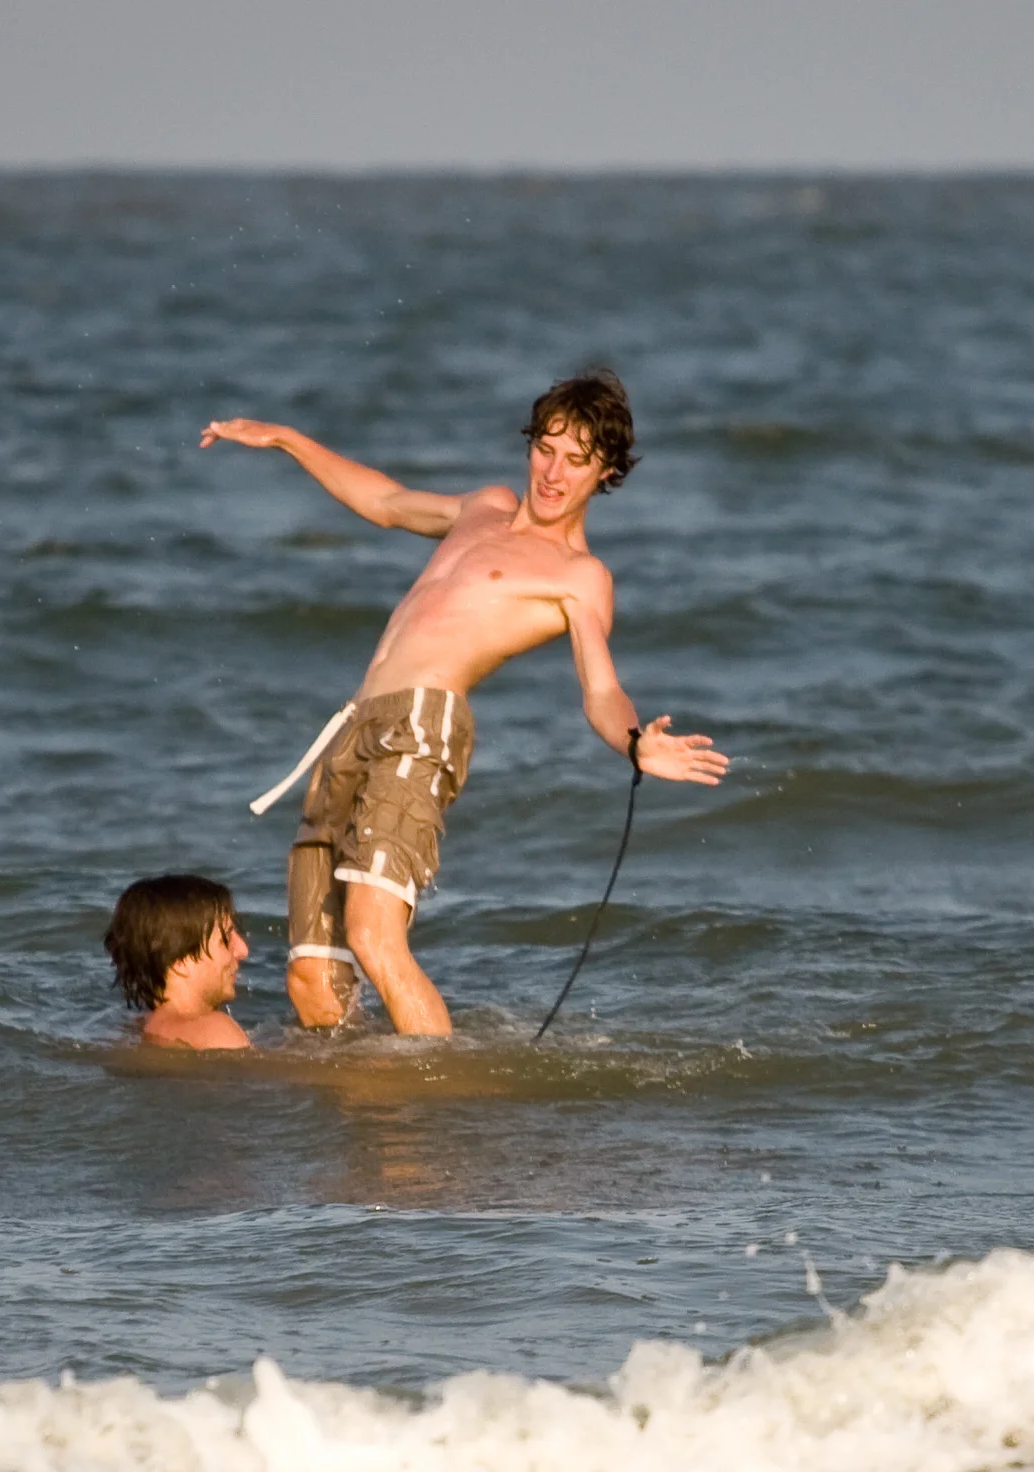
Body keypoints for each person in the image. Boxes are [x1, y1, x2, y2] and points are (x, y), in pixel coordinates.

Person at [201, 370, 728, 1037]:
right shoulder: (484, 505)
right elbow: (387, 500)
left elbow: (600, 688)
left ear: (606, 474)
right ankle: (360, 1129)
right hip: (351, 729)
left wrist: (632, 741)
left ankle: (436, 1112)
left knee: (374, 934)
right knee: (310, 979)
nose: (553, 472)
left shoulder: (579, 576)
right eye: (546, 447)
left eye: (576, 460)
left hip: (421, 726)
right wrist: (285, 438)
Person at [103, 873, 253, 1051]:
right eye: (226, 940)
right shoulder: (214, 1032)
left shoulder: (137, 1027)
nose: (243, 950)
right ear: (180, 962)